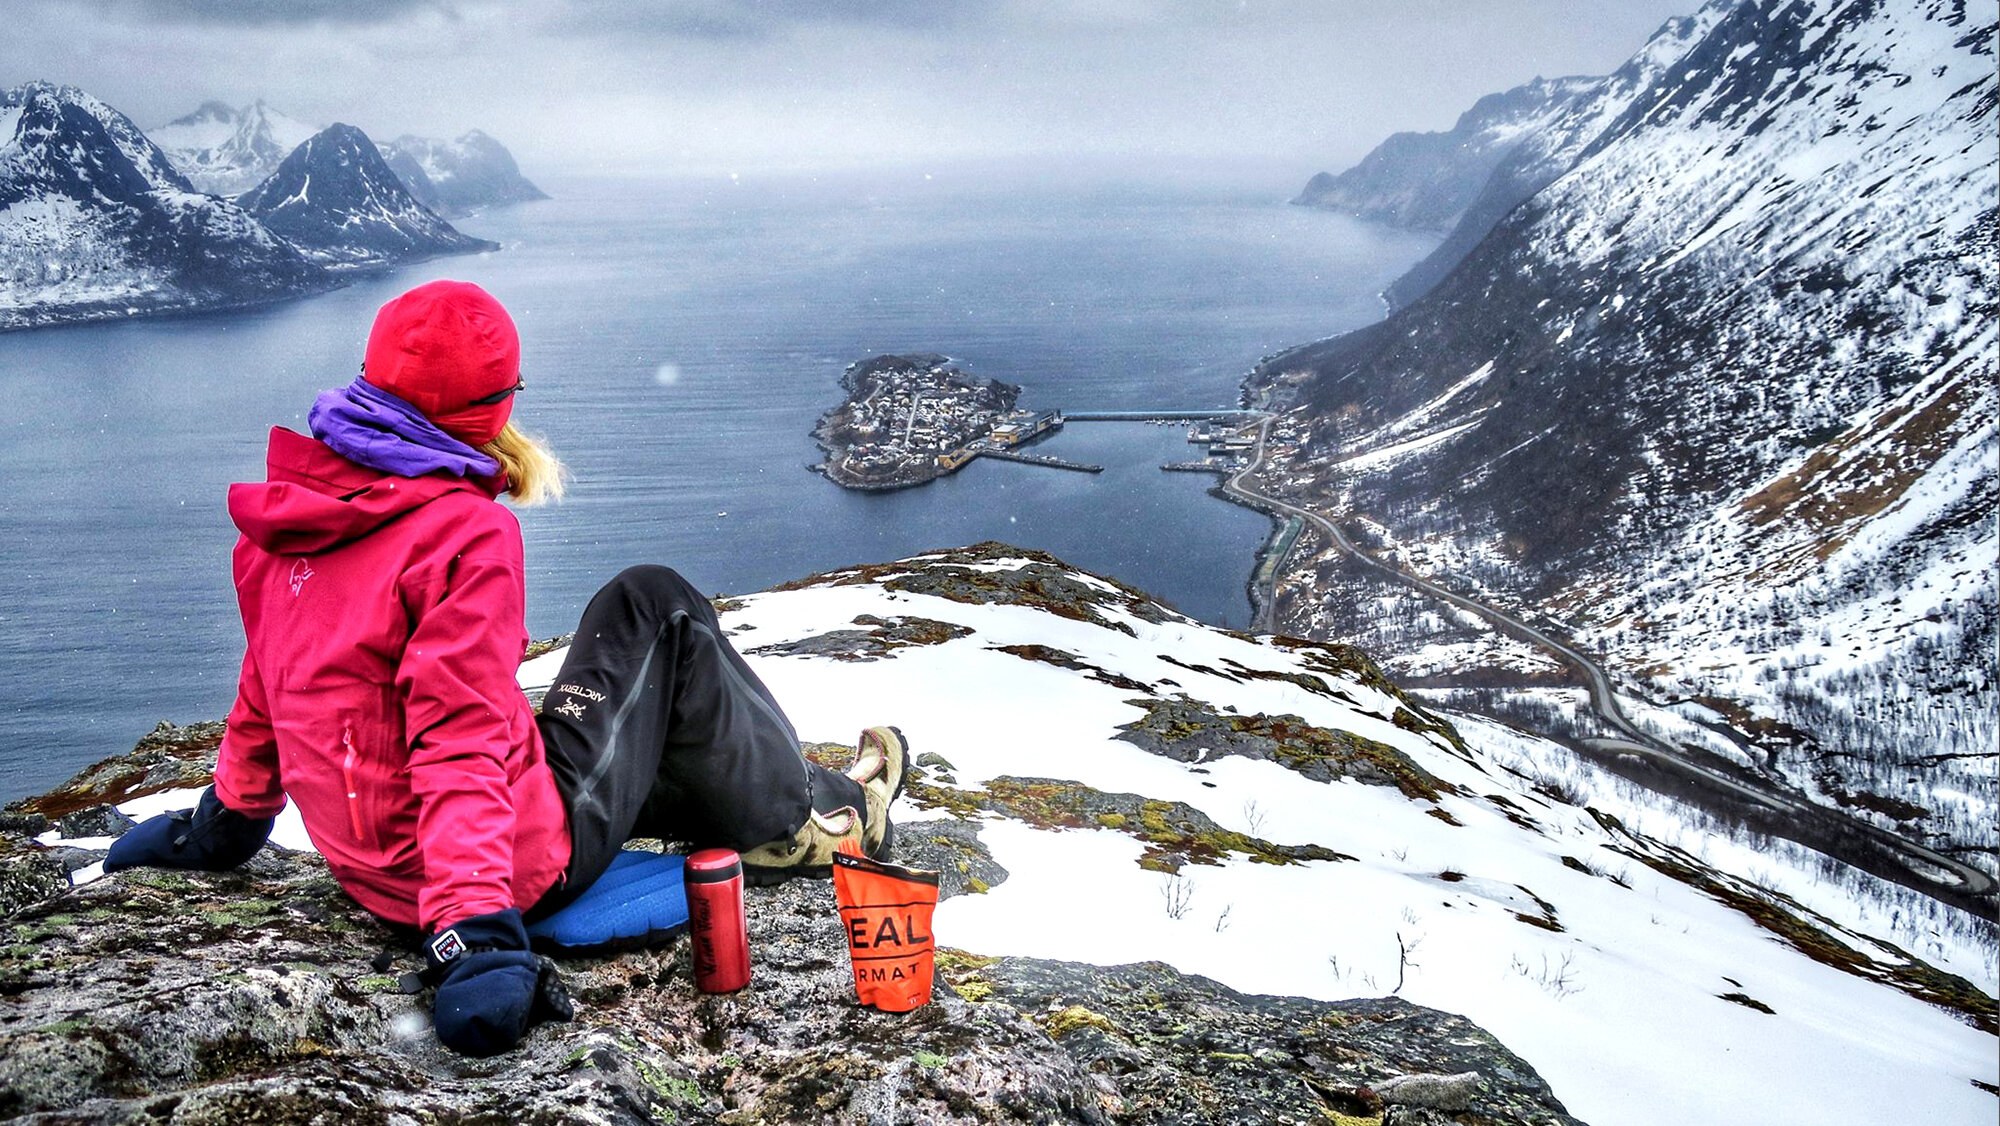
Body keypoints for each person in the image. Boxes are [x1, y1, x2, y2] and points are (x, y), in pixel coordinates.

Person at [105, 279, 906, 1056]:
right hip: (502, 870)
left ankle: (808, 796)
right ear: (494, 405)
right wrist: (474, 930)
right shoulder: (461, 535)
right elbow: (458, 739)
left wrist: (226, 823)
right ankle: (824, 818)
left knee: (638, 709)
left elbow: (269, 682)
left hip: (371, 869)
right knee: (654, 604)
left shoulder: (287, 521)